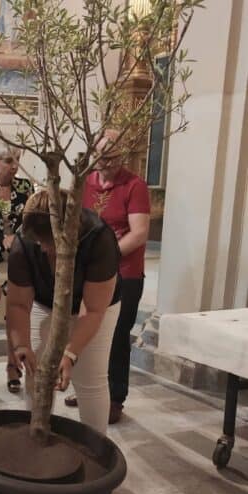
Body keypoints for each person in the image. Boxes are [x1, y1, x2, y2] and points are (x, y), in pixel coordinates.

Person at [6, 189, 121, 435]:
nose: (45, 250)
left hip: (96, 305)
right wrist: (21, 346)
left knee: (89, 378)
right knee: (37, 375)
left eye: (51, 243)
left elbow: (92, 309)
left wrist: (70, 354)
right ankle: (37, 438)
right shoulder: (23, 243)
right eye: (40, 242)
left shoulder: (99, 238)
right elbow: (18, 304)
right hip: (44, 301)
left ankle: (97, 448)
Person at [71, 130, 151, 424]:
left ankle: (115, 397)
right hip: (89, 272)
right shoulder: (86, 181)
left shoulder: (134, 185)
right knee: (87, 330)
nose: (109, 163)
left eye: (115, 157)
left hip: (124, 273)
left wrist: (105, 257)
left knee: (117, 337)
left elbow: (140, 233)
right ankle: (87, 388)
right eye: (104, 156)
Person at [0, 141, 33, 393]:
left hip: (19, 261)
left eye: (17, 160)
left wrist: (18, 240)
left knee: (16, 314)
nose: (14, 166)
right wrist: (1, 241)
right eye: (8, 161)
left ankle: (13, 367)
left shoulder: (26, 187)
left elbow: (32, 221)